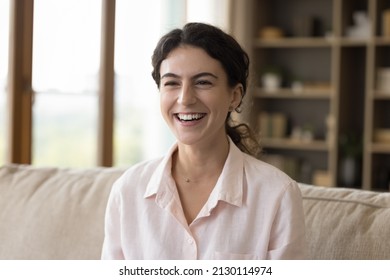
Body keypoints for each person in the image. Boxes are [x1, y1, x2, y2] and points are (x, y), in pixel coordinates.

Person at [101, 22, 306, 260]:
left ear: (234, 96)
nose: (185, 98)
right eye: (172, 83)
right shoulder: (128, 191)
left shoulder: (276, 194)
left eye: (203, 82)